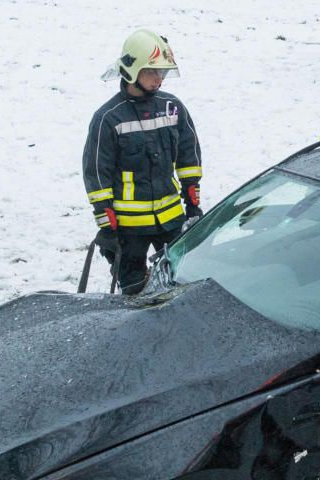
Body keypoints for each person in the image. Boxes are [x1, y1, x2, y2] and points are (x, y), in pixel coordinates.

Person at [82, 29, 203, 295]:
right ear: (131, 71)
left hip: (171, 220)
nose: (158, 79)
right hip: (129, 227)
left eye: (162, 72)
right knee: (134, 291)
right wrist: (106, 225)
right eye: (151, 72)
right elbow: (96, 174)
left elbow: (188, 156)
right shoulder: (108, 118)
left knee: (181, 285)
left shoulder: (173, 107)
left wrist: (192, 202)